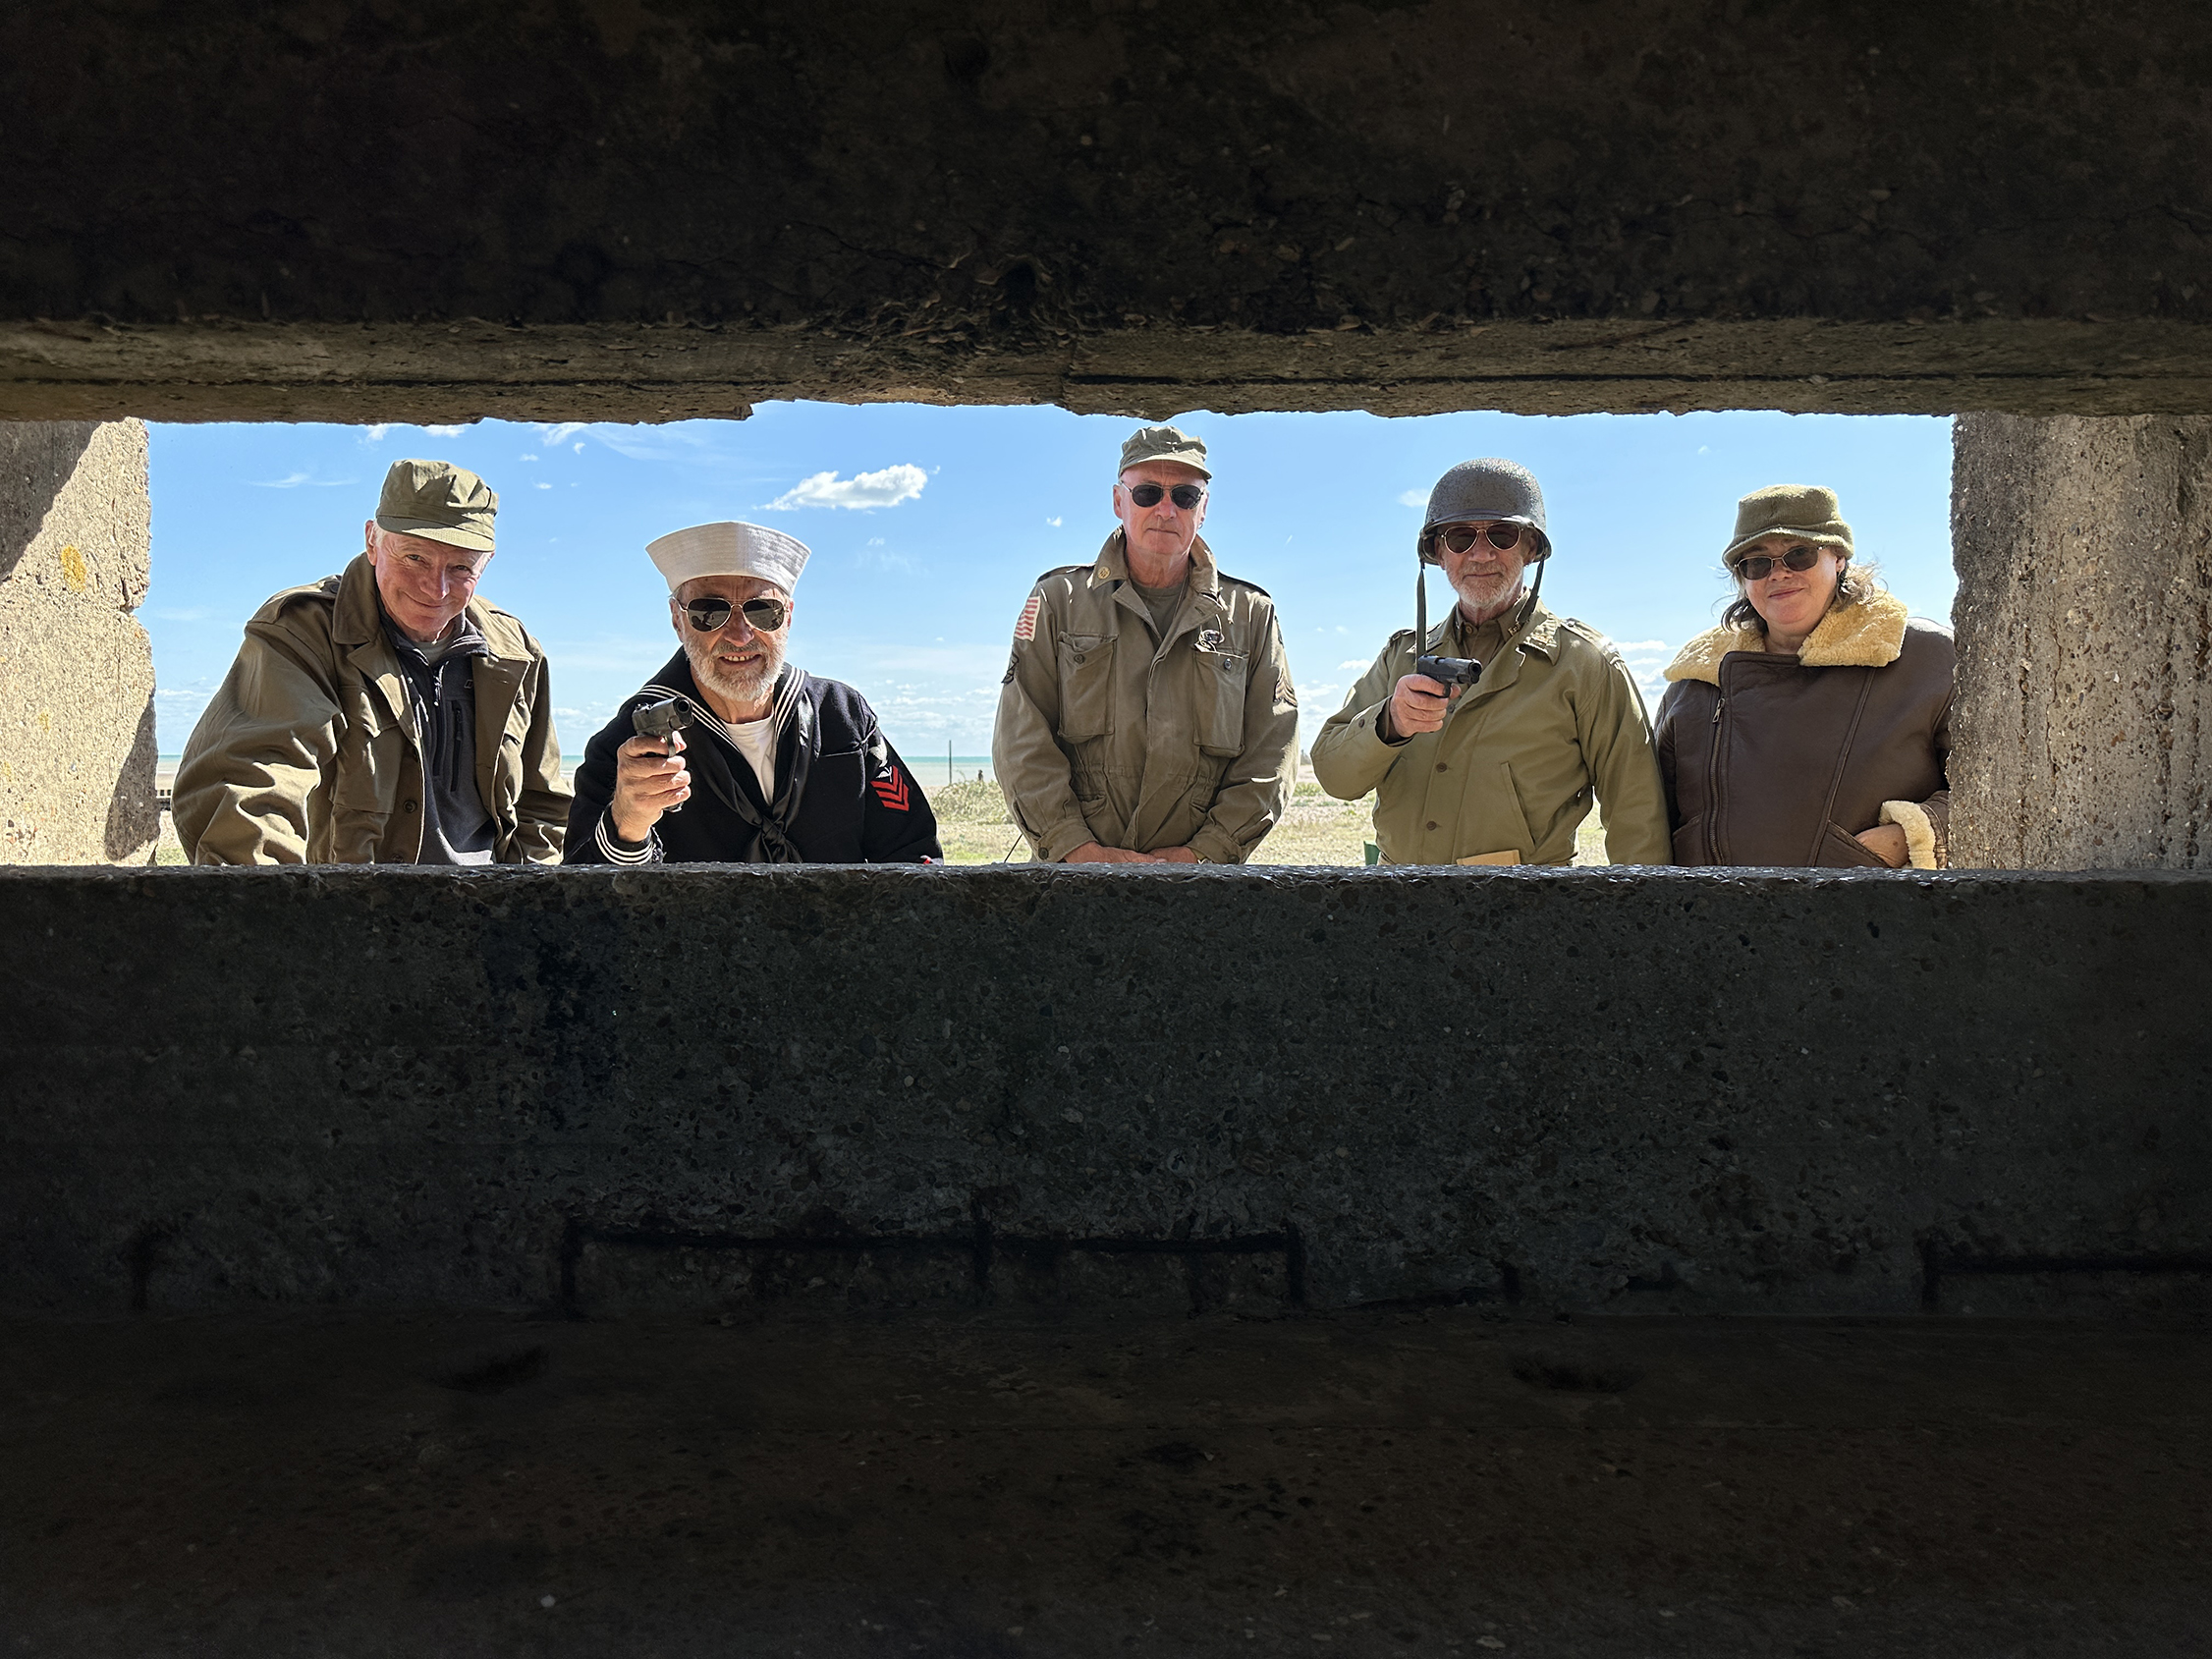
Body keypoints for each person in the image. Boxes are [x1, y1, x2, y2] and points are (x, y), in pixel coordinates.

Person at [173, 459, 569, 865]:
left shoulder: (516, 652)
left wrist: (525, 893)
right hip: (350, 901)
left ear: (486, 564)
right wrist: (273, 896)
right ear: (372, 542)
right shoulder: (305, 631)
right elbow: (256, 779)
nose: (436, 588)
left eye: (460, 567)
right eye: (415, 557)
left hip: (487, 901)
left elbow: (543, 807)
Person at [1310, 458, 1669, 865]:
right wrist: (1390, 722)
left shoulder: (1584, 664)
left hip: (1523, 901)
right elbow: (1334, 776)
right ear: (1438, 553)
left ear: (1531, 548)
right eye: (1460, 537)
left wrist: (1640, 904)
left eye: (1502, 535)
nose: (1481, 554)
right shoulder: (1402, 658)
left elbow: (1637, 813)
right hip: (1400, 897)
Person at [993, 423, 1298, 864]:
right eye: (1147, 493)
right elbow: (1021, 738)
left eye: (1185, 496)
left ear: (1203, 508)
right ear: (1119, 501)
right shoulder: (1057, 601)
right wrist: (1075, 849)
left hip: (1201, 883)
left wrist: (1205, 854)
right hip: (1073, 878)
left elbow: (1272, 751)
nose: (1166, 510)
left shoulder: (1250, 615)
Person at [565, 521, 939, 864]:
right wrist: (627, 824)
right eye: (709, 612)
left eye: (763, 611)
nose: (740, 635)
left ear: (788, 616)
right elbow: (582, 894)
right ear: (678, 620)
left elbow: (912, 852)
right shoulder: (628, 744)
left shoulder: (841, 714)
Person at [1654, 484, 1953, 868]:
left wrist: (1911, 835)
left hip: (1866, 905)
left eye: (1799, 555)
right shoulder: (1696, 678)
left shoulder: (1924, 658)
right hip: (1713, 904)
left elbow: (1994, 785)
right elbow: (1655, 811)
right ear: (1743, 578)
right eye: (1757, 563)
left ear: (1839, 558)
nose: (1779, 574)